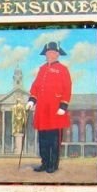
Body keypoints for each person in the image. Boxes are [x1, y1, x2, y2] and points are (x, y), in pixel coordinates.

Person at [26, 41, 72, 173]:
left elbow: (67, 88)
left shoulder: (63, 70)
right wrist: (31, 100)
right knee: (43, 139)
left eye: (53, 52)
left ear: (57, 54)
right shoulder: (42, 69)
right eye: (48, 52)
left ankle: (53, 164)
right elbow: (35, 87)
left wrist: (63, 106)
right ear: (45, 54)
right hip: (42, 111)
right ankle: (45, 163)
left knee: (54, 140)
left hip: (55, 111)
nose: (50, 54)